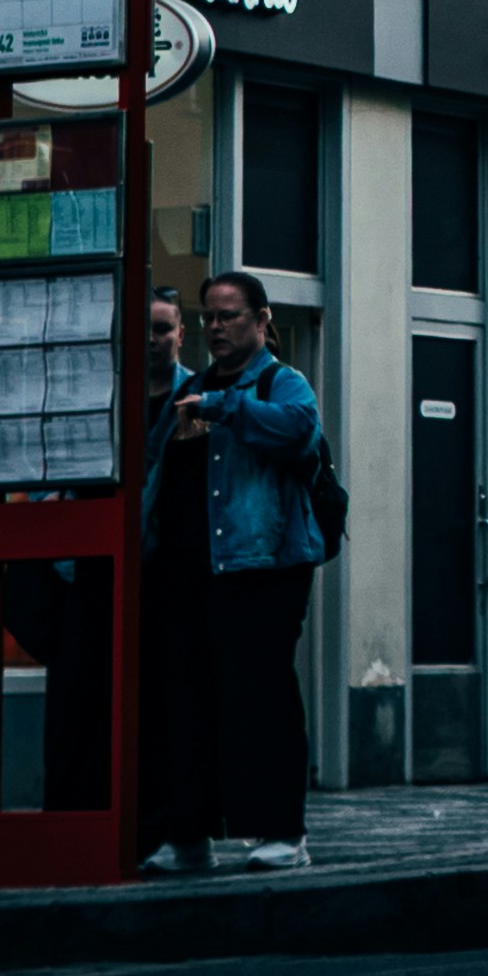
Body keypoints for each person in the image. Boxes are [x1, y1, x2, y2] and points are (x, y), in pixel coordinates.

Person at [140, 267, 332, 874]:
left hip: (265, 567)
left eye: (230, 316)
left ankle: (282, 833)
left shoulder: (282, 382)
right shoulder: (190, 386)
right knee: (188, 701)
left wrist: (225, 407)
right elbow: (155, 471)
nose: (216, 327)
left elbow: (301, 433)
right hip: (192, 570)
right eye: (209, 317)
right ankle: (190, 838)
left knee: (263, 698)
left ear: (262, 320)